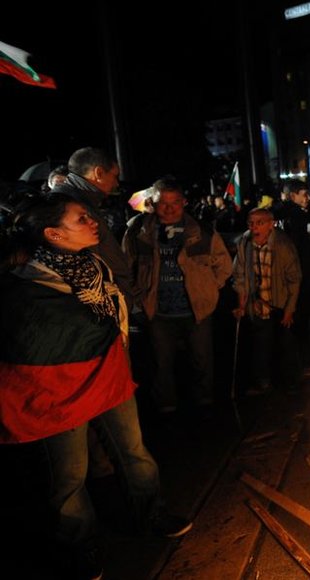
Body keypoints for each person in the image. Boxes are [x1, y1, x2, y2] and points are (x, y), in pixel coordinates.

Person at [0, 194, 191, 580]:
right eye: (81, 219)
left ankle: (150, 513)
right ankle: (79, 543)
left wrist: (113, 345)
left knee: (134, 450)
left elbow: (111, 311)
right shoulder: (27, 286)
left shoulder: (94, 263)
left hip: (108, 375)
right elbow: (31, 343)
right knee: (70, 474)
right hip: (60, 391)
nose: (93, 223)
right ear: (53, 234)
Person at [123, 178, 233, 413]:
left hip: (197, 309)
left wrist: (208, 288)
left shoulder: (202, 231)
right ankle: (166, 406)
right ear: (152, 203)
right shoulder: (137, 233)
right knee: (161, 363)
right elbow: (125, 269)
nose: (170, 208)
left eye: (175, 202)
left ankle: (204, 404)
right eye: (163, 203)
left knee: (202, 360)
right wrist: (139, 297)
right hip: (157, 311)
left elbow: (223, 265)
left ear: (183, 202)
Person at [52, 147, 135, 308]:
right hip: (99, 305)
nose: (116, 183)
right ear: (98, 173)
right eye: (115, 176)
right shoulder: (71, 206)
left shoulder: (79, 200)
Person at [232, 208, 302, 393]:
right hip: (257, 304)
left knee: (284, 343)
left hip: (279, 302)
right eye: (251, 223)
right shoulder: (244, 244)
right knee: (260, 344)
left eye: (259, 223)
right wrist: (241, 305)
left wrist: (289, 310)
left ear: (271, 224)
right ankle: (264, 382)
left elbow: (294, 280)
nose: (254, 227)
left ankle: (290, 384)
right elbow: (239, 276)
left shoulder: (282, 245)